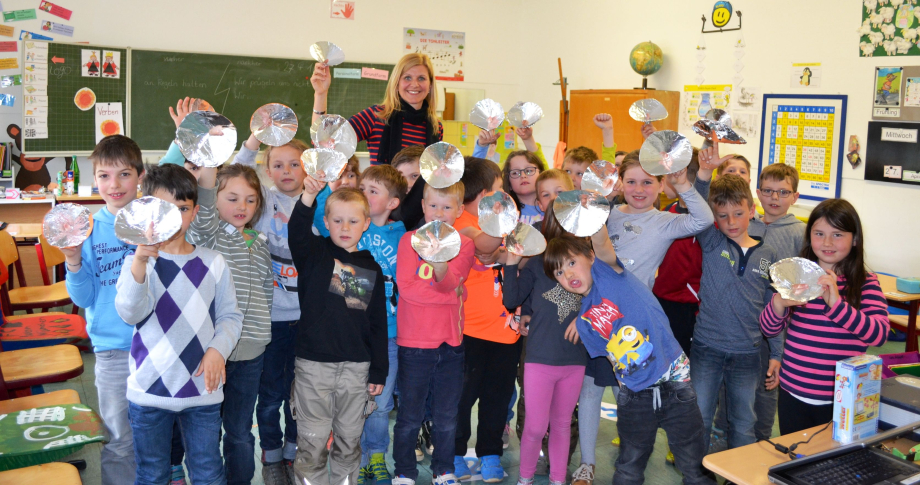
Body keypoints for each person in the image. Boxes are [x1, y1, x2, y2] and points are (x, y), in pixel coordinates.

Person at [544, 232, 713, 485]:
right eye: (559, 273)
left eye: (571, 263)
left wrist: (595, 214)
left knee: (693, 462)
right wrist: (625, 390)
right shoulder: (584, 322)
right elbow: (611, 357)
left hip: (674, 380)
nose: (568, 275)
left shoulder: (607, 273)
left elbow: (601, 242)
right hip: (635, 395)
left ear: (590, 257)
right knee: (629, 465)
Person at [114, 164, 243, 485]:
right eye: (164, 209)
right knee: (152, 473)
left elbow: (231, 316)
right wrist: (141, 263)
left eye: (183, 209)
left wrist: (218, 350)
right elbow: (130, 312)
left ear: (195, 212)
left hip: (202, 391)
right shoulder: (137, 264)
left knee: (208, 471)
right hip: (149, 392)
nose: (175, 218)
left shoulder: (213, 262)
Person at [288, 179, 389, 485]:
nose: (345, 227)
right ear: (327, 222)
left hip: (356, 370)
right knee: (312, 442)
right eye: (337, 220)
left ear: (366, 224)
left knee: (348, 442)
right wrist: (308, 195)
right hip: (313, 367)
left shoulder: (370, 268)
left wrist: (378, 371)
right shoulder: (314, 255)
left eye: (353, 220)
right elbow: (296, 232)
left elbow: (376, 325)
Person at [313, 165, 409, 485]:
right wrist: (329, 185)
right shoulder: (349, 230)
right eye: (361, 186)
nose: (362, 193)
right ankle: (349, 455)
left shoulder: (402, 236)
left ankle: (376, 455)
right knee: (350, 405)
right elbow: (321, 220)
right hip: (353, 333)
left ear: (392, 203)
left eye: (372, 190)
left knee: (380, 404)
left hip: (389, 333)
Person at [760, 199, 889, 434]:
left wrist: (837, 305)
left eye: (837, 235)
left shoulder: (865, 283)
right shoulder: (797, 276)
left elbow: (879, 334)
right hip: (793, 392)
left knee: (833, 465)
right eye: (819, 233)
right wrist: (778, 303)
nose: (828, 243)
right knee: (795, 461)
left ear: (855, 239)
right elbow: (768, 330)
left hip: (842, 399)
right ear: (809, 237)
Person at [62, 135, 145, 485]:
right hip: (112, 351)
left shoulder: (152, 219)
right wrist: (73, 259)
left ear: (140, 176)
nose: (115, 185)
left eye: (124, 174)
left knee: (155, 433)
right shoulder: (89, 228)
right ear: (94, 179)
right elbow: (82, 300)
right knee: (120, 438)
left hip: (155, 345)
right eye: (104, 176)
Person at [186, 163, 273, 485]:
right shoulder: (207, 235)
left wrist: (263, 332)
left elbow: (266, 291)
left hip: (250, 353)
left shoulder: (259, 242)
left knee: (238, 431)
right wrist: (208, 161)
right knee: (206, 430)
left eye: (250, 200)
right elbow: (204, 202)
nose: (242, 207)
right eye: (233, 198)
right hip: (212, 352)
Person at [232, 132, 308, 484]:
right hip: (269, 321)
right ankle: (272, 453)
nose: (287, 170)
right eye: (277, 164)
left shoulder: (317, 205)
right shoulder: (262, 202)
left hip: (306, 322)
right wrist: (253, 141)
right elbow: (236, 171)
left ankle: (294, 449)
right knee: (270, 394)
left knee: (299, 393)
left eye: (295, 163)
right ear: (268, 171)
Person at [504, 170, 586, 485]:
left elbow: (600, 297)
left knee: (562, 424)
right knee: (536, 427)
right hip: (539, 357)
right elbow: (512, 298)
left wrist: (586, 318)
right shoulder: (538, 262)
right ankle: (525, 479)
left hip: (574, 360)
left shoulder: (587, 258)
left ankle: (557, 479)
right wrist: (512, 261)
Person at [392, 182, 475, 485]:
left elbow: (449, 282)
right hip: (414, 344)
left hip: (450, 345)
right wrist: (451, 292)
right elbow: (409, 290)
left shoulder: (465, 246)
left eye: (447, 207)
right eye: (434, 206)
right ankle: (403, 471)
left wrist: (442, 272)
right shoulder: (408, 241)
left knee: (446, 417)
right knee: (409, 417)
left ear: (459, 211)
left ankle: (444, 469)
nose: (439, 213)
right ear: (424, 206)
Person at [690, 174, 780, 451]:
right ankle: (697, 478)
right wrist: (703, 176)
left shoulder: (769, 255)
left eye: (739, 214)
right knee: (700, 418)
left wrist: (776, 354)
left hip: (747, 353)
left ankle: (737, 478)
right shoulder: (713, 242)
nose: (731, 222)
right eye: (723, 215)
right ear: (714, 216)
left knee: (743, 422)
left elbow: (773, 308)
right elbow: (696, 204)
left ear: (753, 211)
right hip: (707, 348)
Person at [452, 158, 518, 483]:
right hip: (468, 330)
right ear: (481, 196)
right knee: (461, 397)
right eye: (499, 189)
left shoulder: (508, 223)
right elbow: (483, 248)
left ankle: (490, 452)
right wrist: (504, 245)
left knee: (497, 396)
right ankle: (453, 451)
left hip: (506, 332)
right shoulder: (460, 221)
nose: (505, 194)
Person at [605, 152, 713, 290]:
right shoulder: (608, 212)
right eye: (631, 182)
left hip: (633, 304)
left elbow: (704, 219)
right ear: (621, 181)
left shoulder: (664, 222)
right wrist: (606, 200)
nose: (639, 189)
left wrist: (682, 184)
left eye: (647, 182)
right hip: (596, 301)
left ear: (661, 185)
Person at [311, 53, 443, 166]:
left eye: (421, 78)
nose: (415, 84)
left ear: (430, 85)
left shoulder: (436, 127)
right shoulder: (377, 116)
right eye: (407, 77)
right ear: (396, 84)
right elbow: (323, 142)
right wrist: (320, 94)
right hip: (381, 195)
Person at [502, 151, 547, 224]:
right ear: (509, 183)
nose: (523, 175)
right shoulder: (504, 212)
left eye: (529, 170)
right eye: (515, 173)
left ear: (541, 175)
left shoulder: (552, 208)